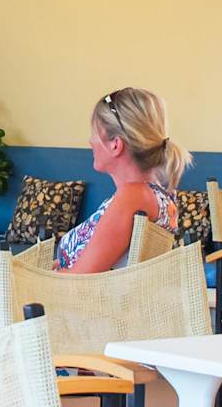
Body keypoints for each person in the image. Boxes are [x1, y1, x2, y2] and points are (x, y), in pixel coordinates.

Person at [52, 87, 188, 272]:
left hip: (75, 291)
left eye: (95, 133)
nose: (90, 141)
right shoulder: (156, 196)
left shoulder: (132, 197)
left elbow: (80, 280)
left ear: (115, 144)